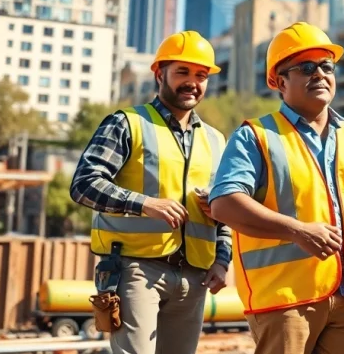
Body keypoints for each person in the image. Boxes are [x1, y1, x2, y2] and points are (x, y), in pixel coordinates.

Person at [209, 22, 344, 354]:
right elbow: (224, 203)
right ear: (280, 82)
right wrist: (297, 230)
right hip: (286, 299)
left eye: (327, 66)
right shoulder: (256, 137)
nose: (320, 74)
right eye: (307, 68)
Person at [71, 31, 229, 354]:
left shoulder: (216, 140)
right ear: (159, 74)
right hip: (136, 269)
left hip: (195, 276)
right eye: (182, 72)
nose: (192, 82)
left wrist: (222, 260)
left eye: (201, 75)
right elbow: (84, 184)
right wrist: (144, 204)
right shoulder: (127, 123)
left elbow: (224, 208)